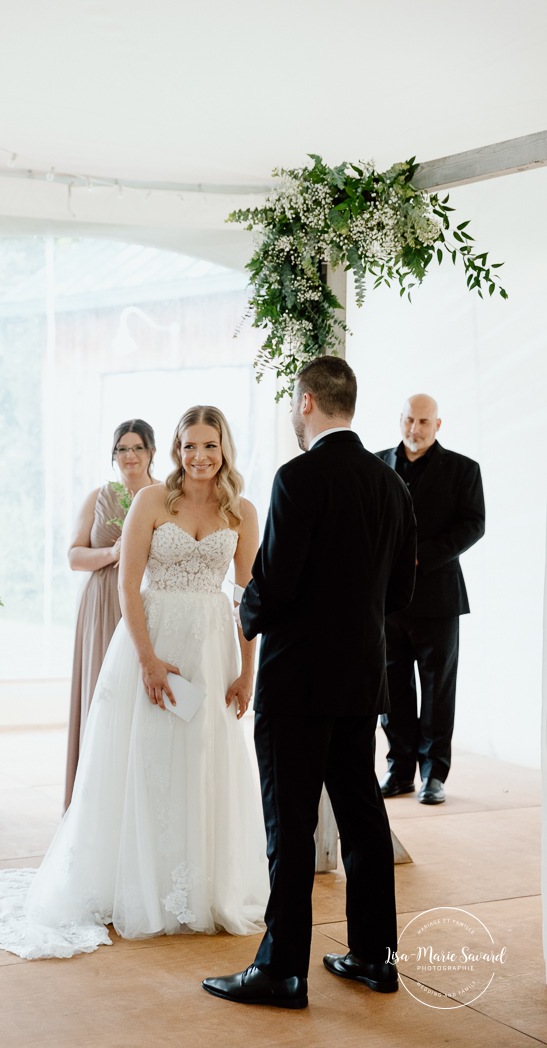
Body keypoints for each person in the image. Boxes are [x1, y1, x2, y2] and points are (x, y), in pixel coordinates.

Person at [0, 405, 269, 957]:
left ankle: (201, 889)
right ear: (175, 449)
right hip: (153, 637)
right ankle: (139, 885)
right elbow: (127, 585)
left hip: (213, 650)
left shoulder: (242, 510)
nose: (199, 457)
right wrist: (146, 659)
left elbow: (248, 598)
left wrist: (246, 672)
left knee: (202, 758)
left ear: (225, 448)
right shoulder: (150, 500)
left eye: (209, 446)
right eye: (189, 446)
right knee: (144, 759)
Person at [202, 356, 417, 1009]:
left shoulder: (298, 476)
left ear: (305, 402)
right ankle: (375, 956)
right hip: (361, 676)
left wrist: (246, 611)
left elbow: (276, 577)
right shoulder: (391, 485)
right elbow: (400, 592)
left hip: (296, 680)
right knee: (360, 813)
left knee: (289, 821)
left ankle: (281, 970)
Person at [376, 394, 485, 805]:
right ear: (399, 419)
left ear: (438, 425)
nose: (414, 429)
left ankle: (433, 774)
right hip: (388, 601)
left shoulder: (462, 470)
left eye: (423, 421)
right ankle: (399, 769)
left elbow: (474, 525)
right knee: (393, 689)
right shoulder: (376, 464)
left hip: (439, 598)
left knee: (438, 690)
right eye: (408, 420)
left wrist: (422, 555)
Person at [64, 418, 157, 810]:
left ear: (151, 451)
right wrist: (112, 554)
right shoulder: (99, 497)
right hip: (103, 602)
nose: (129, 456)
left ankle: (138, 797)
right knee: (103, 694)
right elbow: (73, 555)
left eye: (137, 447)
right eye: (121, 449)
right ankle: (94, 801)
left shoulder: (164, 496)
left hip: (149, 601)